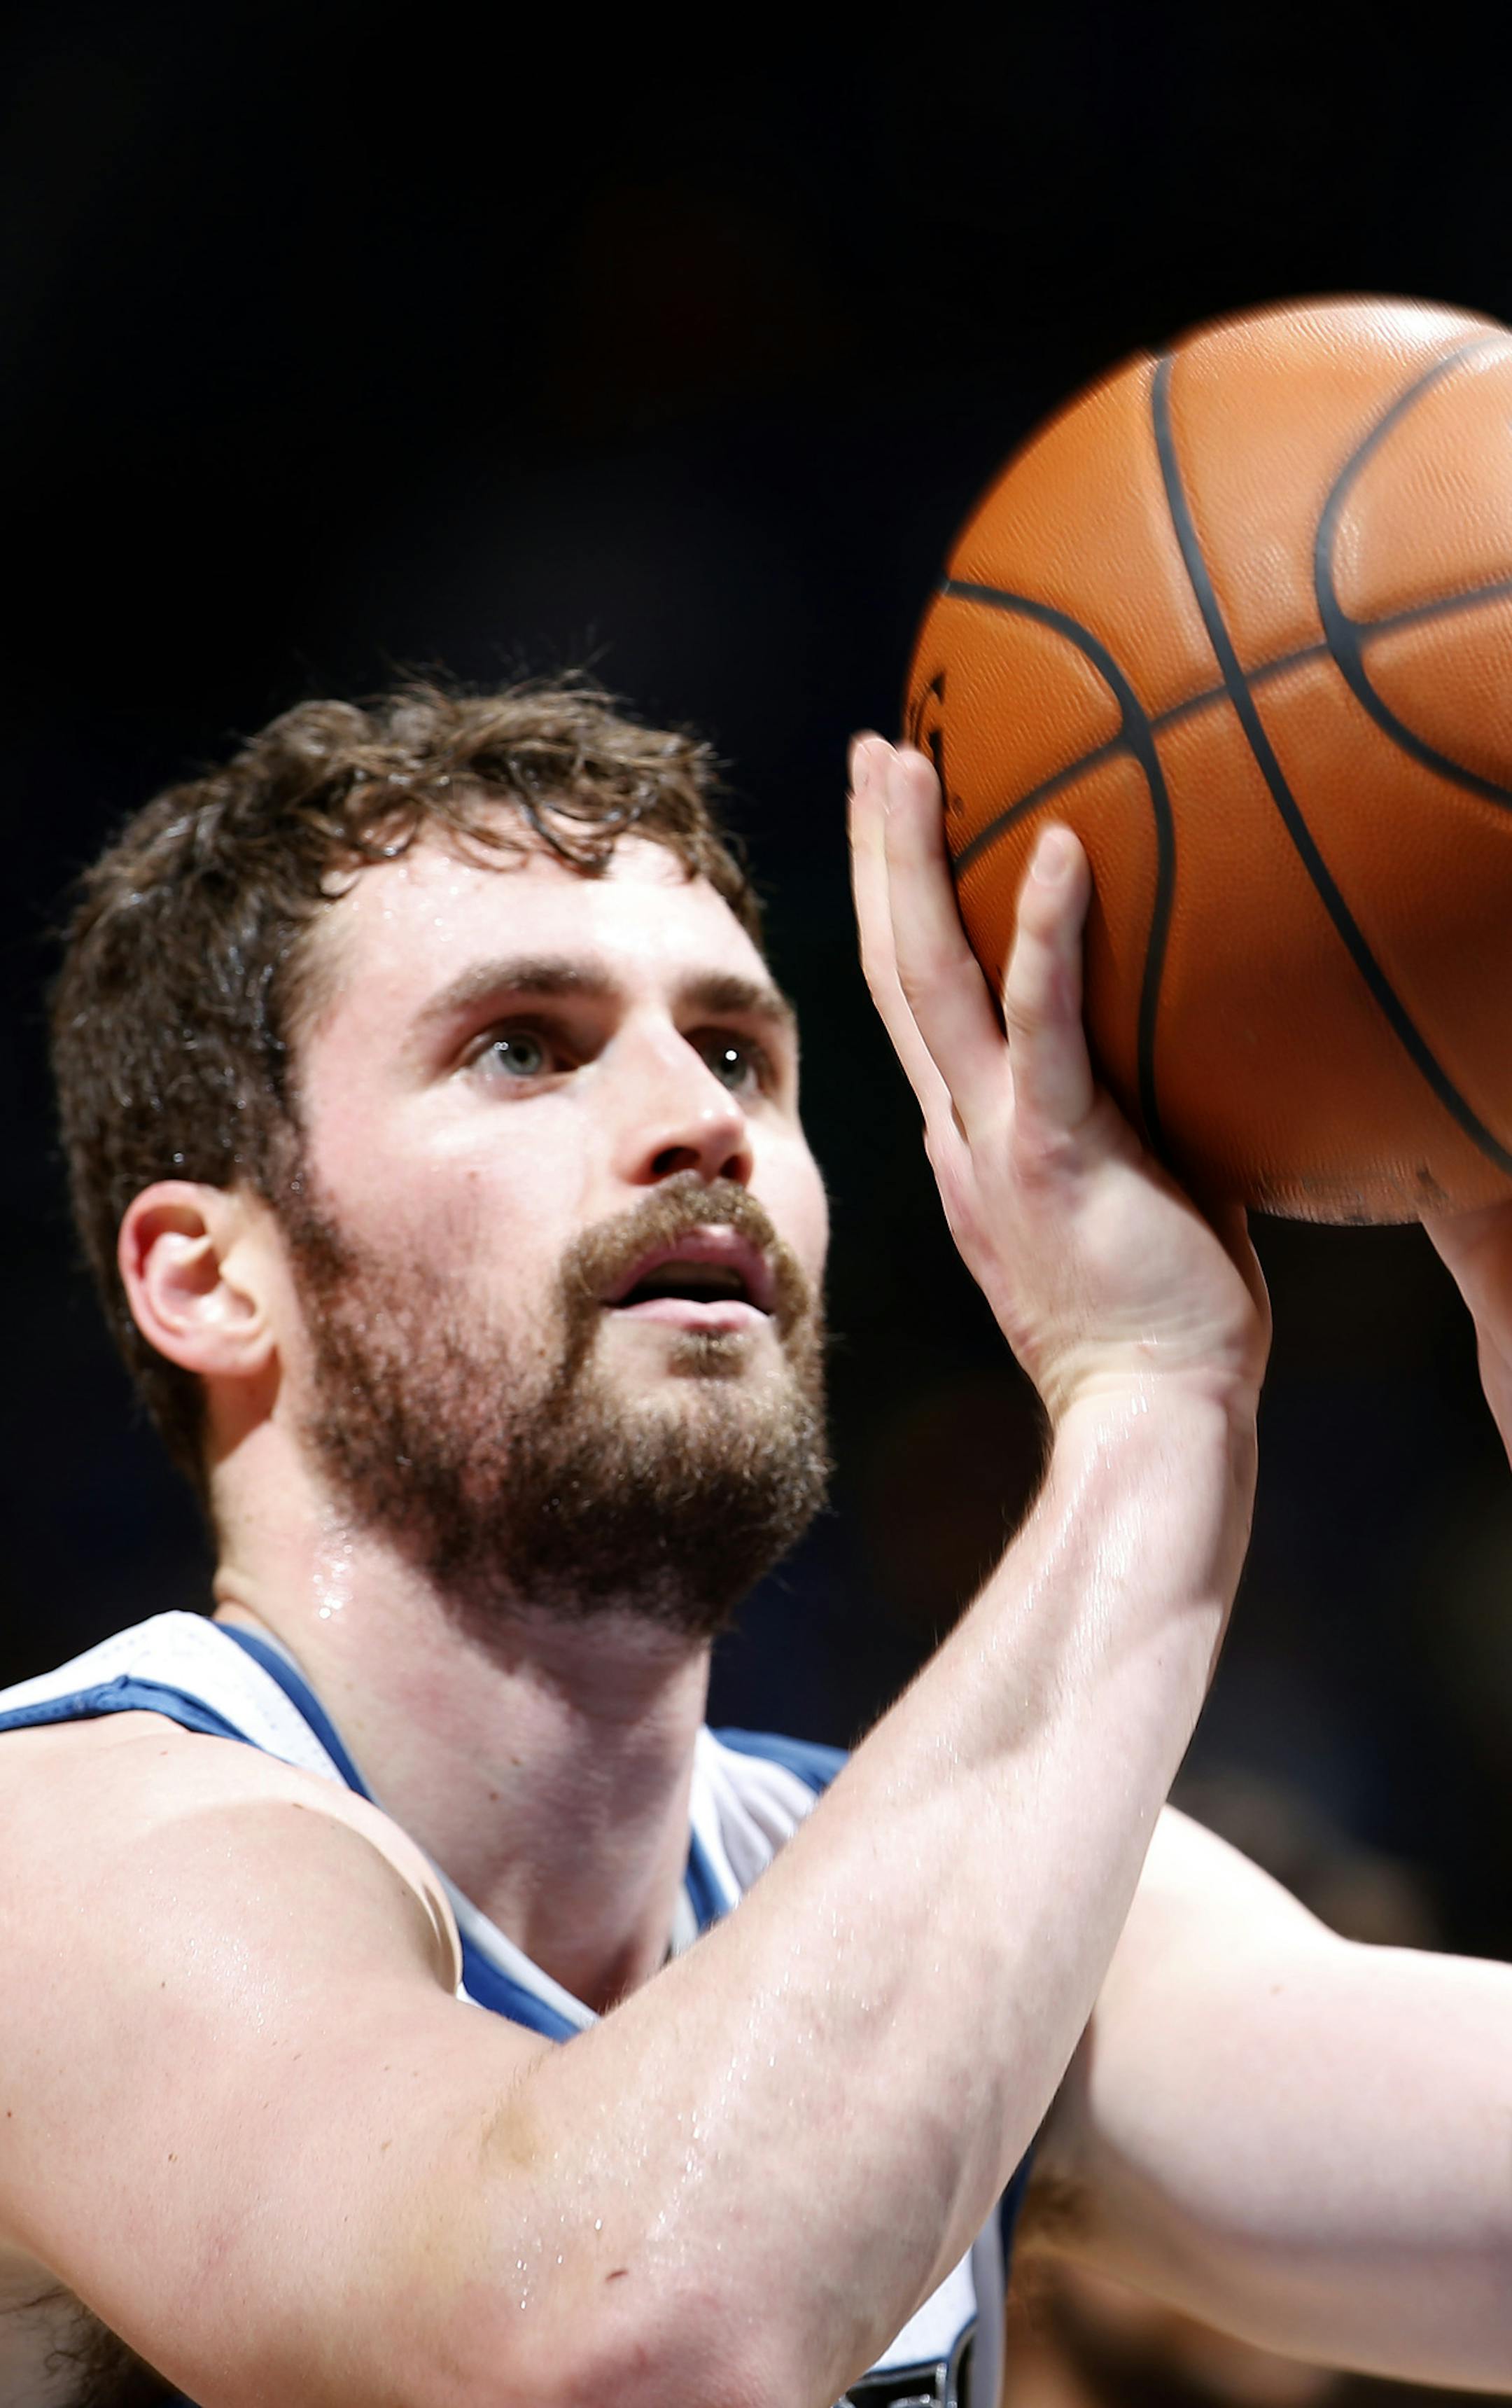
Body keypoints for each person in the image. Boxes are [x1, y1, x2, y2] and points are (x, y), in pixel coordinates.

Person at [0, 681, 1504, 2408]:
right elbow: (618, 2350)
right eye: (522, 1045)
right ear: (208, 1276)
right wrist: (1152, 1404)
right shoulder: (55, 1857)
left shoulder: (973, 1903)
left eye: (737, 1052)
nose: (700, 1119)